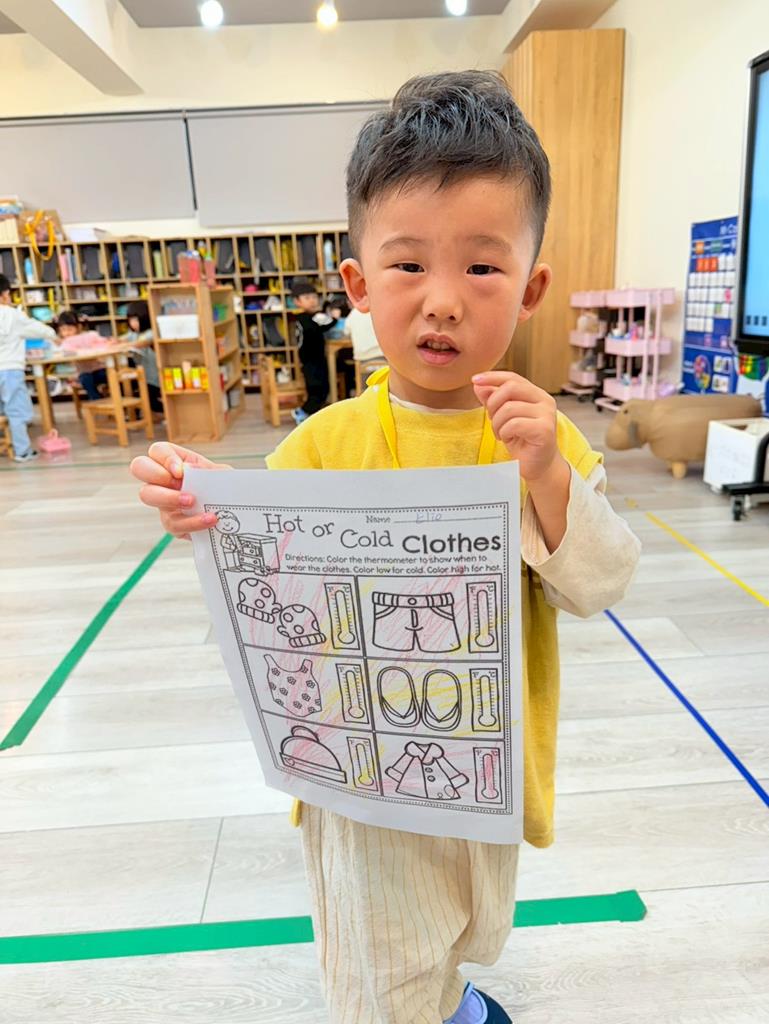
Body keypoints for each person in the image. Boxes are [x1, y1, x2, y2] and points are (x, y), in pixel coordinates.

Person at [130, 71, 641, 1024]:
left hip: (482, 761)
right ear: (359, 285)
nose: (442, 301)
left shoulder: (541, 439)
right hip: (357, 774)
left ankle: (454, 1002)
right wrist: (199, 504)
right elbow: (260, 579)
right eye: (408, 265)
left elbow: (600, 584)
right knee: (377, 971)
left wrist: (547, 479)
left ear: (530, 289)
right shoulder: (322, 443)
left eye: (481, 269)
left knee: (467, 925)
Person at [0, 273, 56, 462]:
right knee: (16, 411)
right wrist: (53, 333)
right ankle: (22, 451)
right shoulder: (12, 315)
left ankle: (4, 444)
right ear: (5, 294)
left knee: (1, 412)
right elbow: (37, 329)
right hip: (10, 369)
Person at [290, 277, 339, 424]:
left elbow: (319, 326)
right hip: (312, 360)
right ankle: (302, 412)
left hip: (313, 360)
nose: (312, 301)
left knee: (320, 388)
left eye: (314, 297)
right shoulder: (307, 318)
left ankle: (311, 414)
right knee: (317, 389)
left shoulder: (306, 318)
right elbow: (323, 325)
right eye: (307, 298)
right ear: (297, 302)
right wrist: (335, 319)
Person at [54, 309, 107, 401]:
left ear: (78, 327)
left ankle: (111, 399)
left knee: (109, 375)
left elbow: (102, 343)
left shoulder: (89, 336)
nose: (66, 333)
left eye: (70, 329)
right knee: (86, 378)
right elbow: (62, 352)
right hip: (82, 375)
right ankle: (96, 400)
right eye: (63, 330)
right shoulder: (65, 343)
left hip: (98, 370)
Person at [125, 299, 163, 414]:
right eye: (130, 320)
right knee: (126, 386)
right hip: (143, 376)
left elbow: (141, 343)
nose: (133, 323)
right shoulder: (133, 334)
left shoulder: (151, 332)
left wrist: (123, 345)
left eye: (136, 320)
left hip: (154, 377)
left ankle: (164, 412)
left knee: (149, 400)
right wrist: (113, 341)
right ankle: (135, 413)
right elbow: (123, 339)